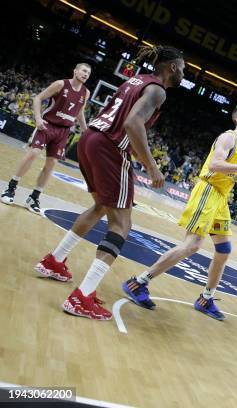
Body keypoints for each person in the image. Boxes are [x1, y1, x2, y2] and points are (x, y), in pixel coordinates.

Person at [35, 45, 184, 319]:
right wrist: (151, 167)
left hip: (91, 138)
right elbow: (131, 124)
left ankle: (54, 261)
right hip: (110, 148)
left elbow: (123, 121)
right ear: (172, 66)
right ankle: (82, 297)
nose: (184, 74)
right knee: (122, 224)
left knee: (101, 208)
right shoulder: (157, 89)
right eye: (183, 68)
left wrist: (139, 154)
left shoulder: (135, 80)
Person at [121, 104, 237, 320]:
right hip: (208, 191)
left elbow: (228, 175)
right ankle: (138, 283)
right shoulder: (228, 138)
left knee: (223, 250)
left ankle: (206, 298)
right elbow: (215, 166)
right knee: (192, 245)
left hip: (221, 199)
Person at [1, 63, 91, 213]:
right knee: (33, 153)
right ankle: (10, 188)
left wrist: (86, 131)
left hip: (63, 131)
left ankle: (34, 197)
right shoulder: (61, 84)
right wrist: (37, 118)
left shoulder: (85, 93)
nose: (86, 74)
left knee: (52, 164)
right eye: (83, 70)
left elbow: (79, 112)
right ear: (75, 71)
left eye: (88, 73)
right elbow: (38, 98)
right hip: (47, 125)